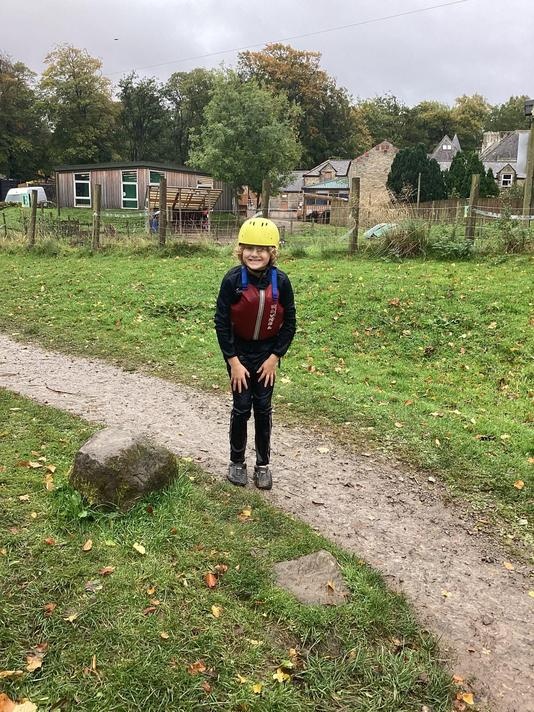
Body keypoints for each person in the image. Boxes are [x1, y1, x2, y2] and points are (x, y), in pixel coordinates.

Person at [214, 218, 296, 490]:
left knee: (263, 408)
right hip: (238, 353)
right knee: (241, 407)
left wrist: (274, 358)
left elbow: (290, 323)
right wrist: (233, 362)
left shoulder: (281, 282)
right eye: (249, 248)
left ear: (272, 252)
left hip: (266, 355)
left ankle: (263, 465)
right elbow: (221, 323)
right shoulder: (232, 280)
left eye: (261, 249)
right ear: (240, 251)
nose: (254, 254)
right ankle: (236, 462)